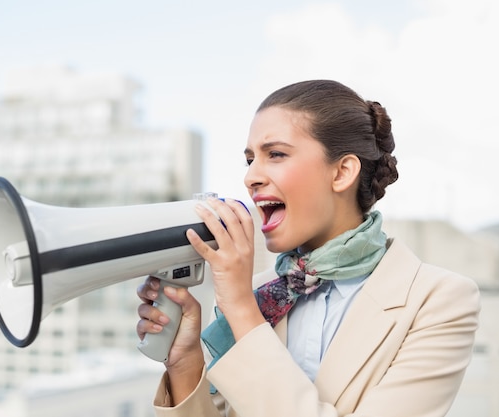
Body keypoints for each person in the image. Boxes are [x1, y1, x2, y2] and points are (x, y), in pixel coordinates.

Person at [136, 80, 480, 417]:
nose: (250, 176)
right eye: (250, 159)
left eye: (276, 154)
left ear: (342, 172)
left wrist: (241, 309)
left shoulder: (440, 300)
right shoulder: (263, 294)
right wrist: (185, 364)